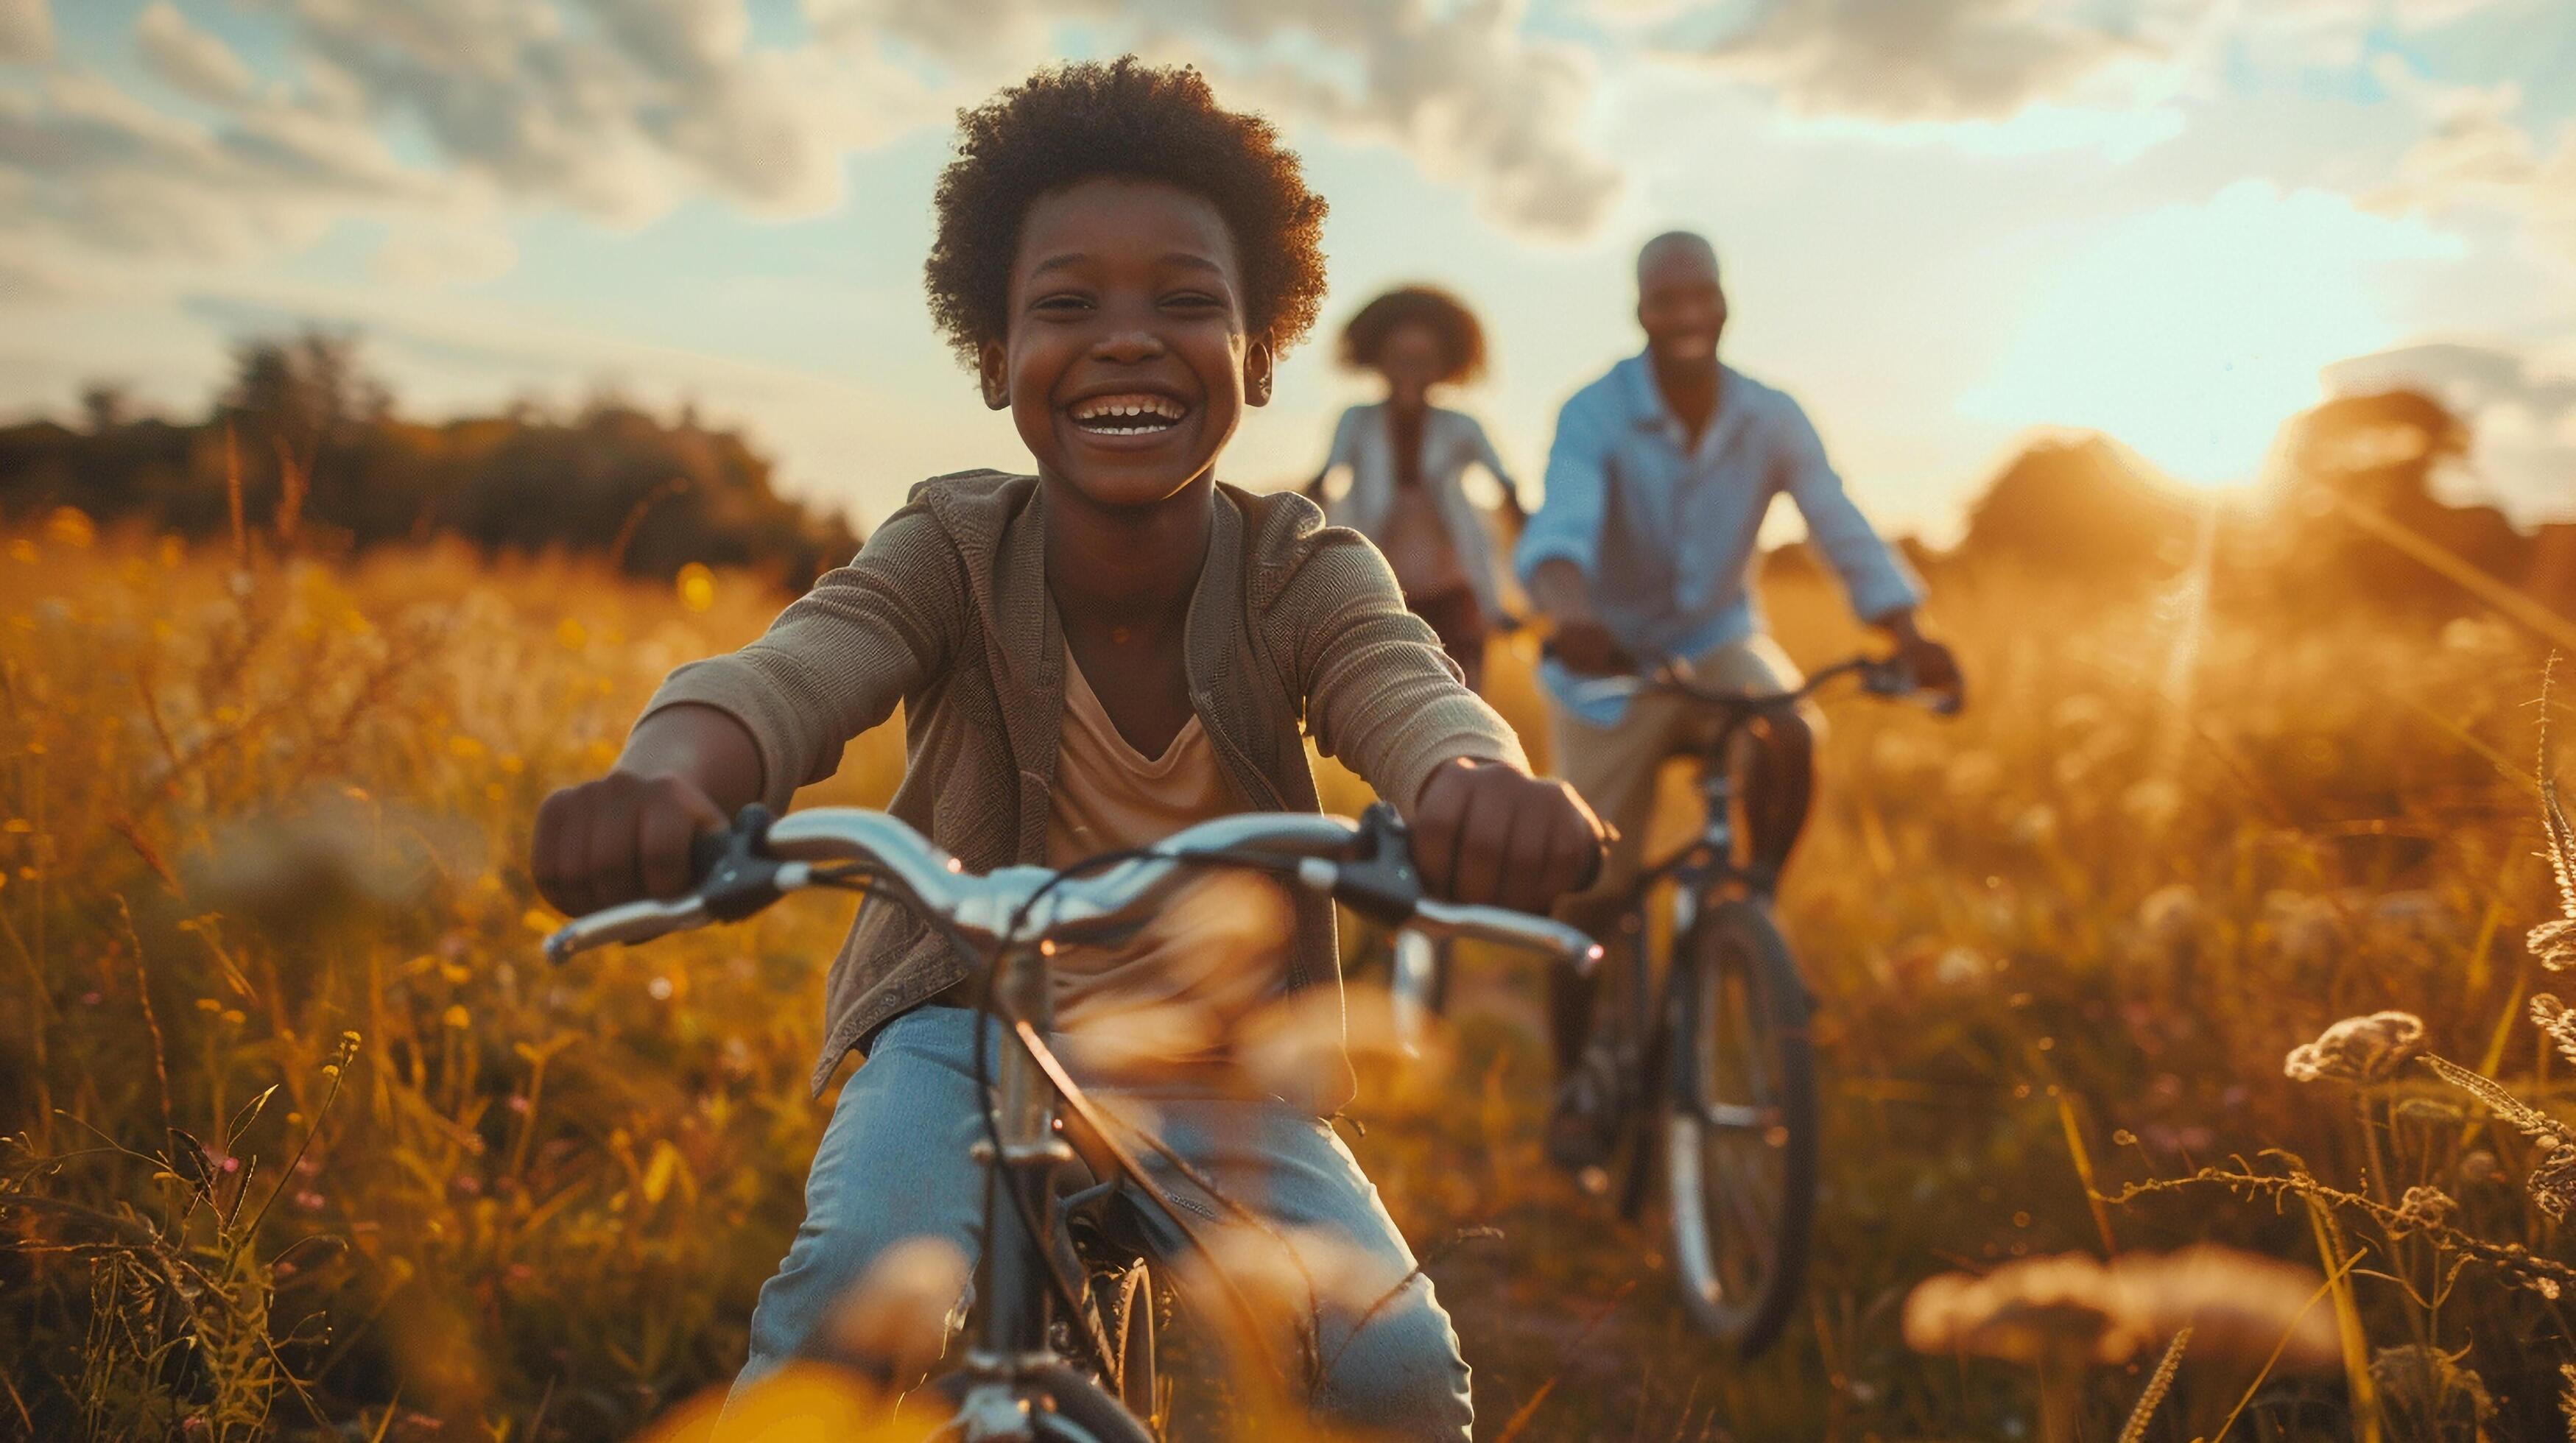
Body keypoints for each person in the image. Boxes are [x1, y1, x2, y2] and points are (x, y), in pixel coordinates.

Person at [529, 58, 1606, 1441]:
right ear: (993, 353)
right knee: (855, 1306)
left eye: (1185, 301)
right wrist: (663, 781)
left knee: (1388, 1373)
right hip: (961, 1028)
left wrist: (1479, 792)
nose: (1125, 339)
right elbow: (793, 670)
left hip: (1218, 1067)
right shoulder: (953, 549)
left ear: (1258, 353)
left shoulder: (1299, 570)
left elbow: (1407, 690)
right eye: (1065, 303)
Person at [1514, 230, 1961, 1171]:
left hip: (1718, 640)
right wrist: (1572, 613)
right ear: (1640, 312)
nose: (1684, 316)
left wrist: (1907, 632)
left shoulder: (1771, 415)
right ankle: (1574, 1087)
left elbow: (1835, 515)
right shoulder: (1595, 412)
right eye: (1664, 300)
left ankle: (1750, 923)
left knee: (1790, 728)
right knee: (1587, 885)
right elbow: (1561, 526)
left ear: (1723, 304)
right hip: (1612, 659)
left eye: (1699, 297)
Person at [1303, 286, 1527, 691]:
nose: (1410, 371)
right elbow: (1322, 482)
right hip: (1378, 597)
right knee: (1386, 702)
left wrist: (1534, 577)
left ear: (1443, 365)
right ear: (1377, 361)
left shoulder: (1461, 426)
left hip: (1455, 595)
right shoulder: (1356, 421)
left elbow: (1507, 489)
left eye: (1422, 361)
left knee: (1464, 699)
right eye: (1399, 359)